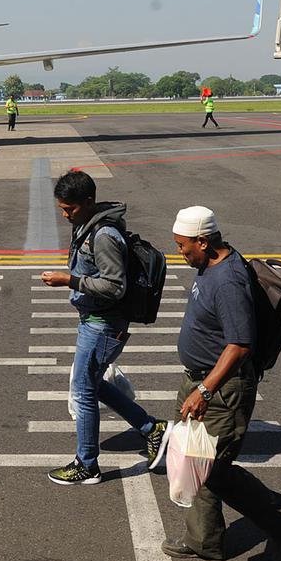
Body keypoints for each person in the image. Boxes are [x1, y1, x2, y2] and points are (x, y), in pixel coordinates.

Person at [161, 206, 281, 561]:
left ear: (204, 241)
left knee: (215, 469)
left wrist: (205, 390)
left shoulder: (227, 281)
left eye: (183, 246)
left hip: (221, 390)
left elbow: (240, 345)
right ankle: (205, 540)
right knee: (197, 463)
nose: (180, 252)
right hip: (200, 380)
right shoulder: (209, 266)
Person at [39, 170, 168, 485]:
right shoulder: (88, 223)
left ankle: (87, 464)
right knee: (92, 384)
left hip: (103, 326)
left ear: (88, 201)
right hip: (95, 322)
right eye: (62, 208)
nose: (65, 214)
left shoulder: (104, 236)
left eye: (70, 208)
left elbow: (114, 286)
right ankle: (152, 429)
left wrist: (69, 280)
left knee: (83, 391)